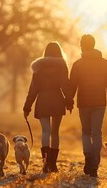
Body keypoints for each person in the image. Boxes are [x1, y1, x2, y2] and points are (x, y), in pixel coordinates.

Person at [69, 34, 107, 177]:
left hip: (84, 102)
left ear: (82, 46)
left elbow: (72, 85)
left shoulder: (77, 64)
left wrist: (69, 101)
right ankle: (94, 165)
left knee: (85, 132)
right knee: (97, 133)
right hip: (100, 102)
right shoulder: (105, 63)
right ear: (94, 45)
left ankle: (88, 154)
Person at [23, 41, 73, 173]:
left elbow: (32, 90)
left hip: (43, 101)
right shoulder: (62, 67)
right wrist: (69, 102)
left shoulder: (38, 68)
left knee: (45, 131)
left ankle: (45, 164)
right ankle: (53, 164)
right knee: (55, 132)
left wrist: (27, 107)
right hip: (57, 100)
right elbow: (65, 86)